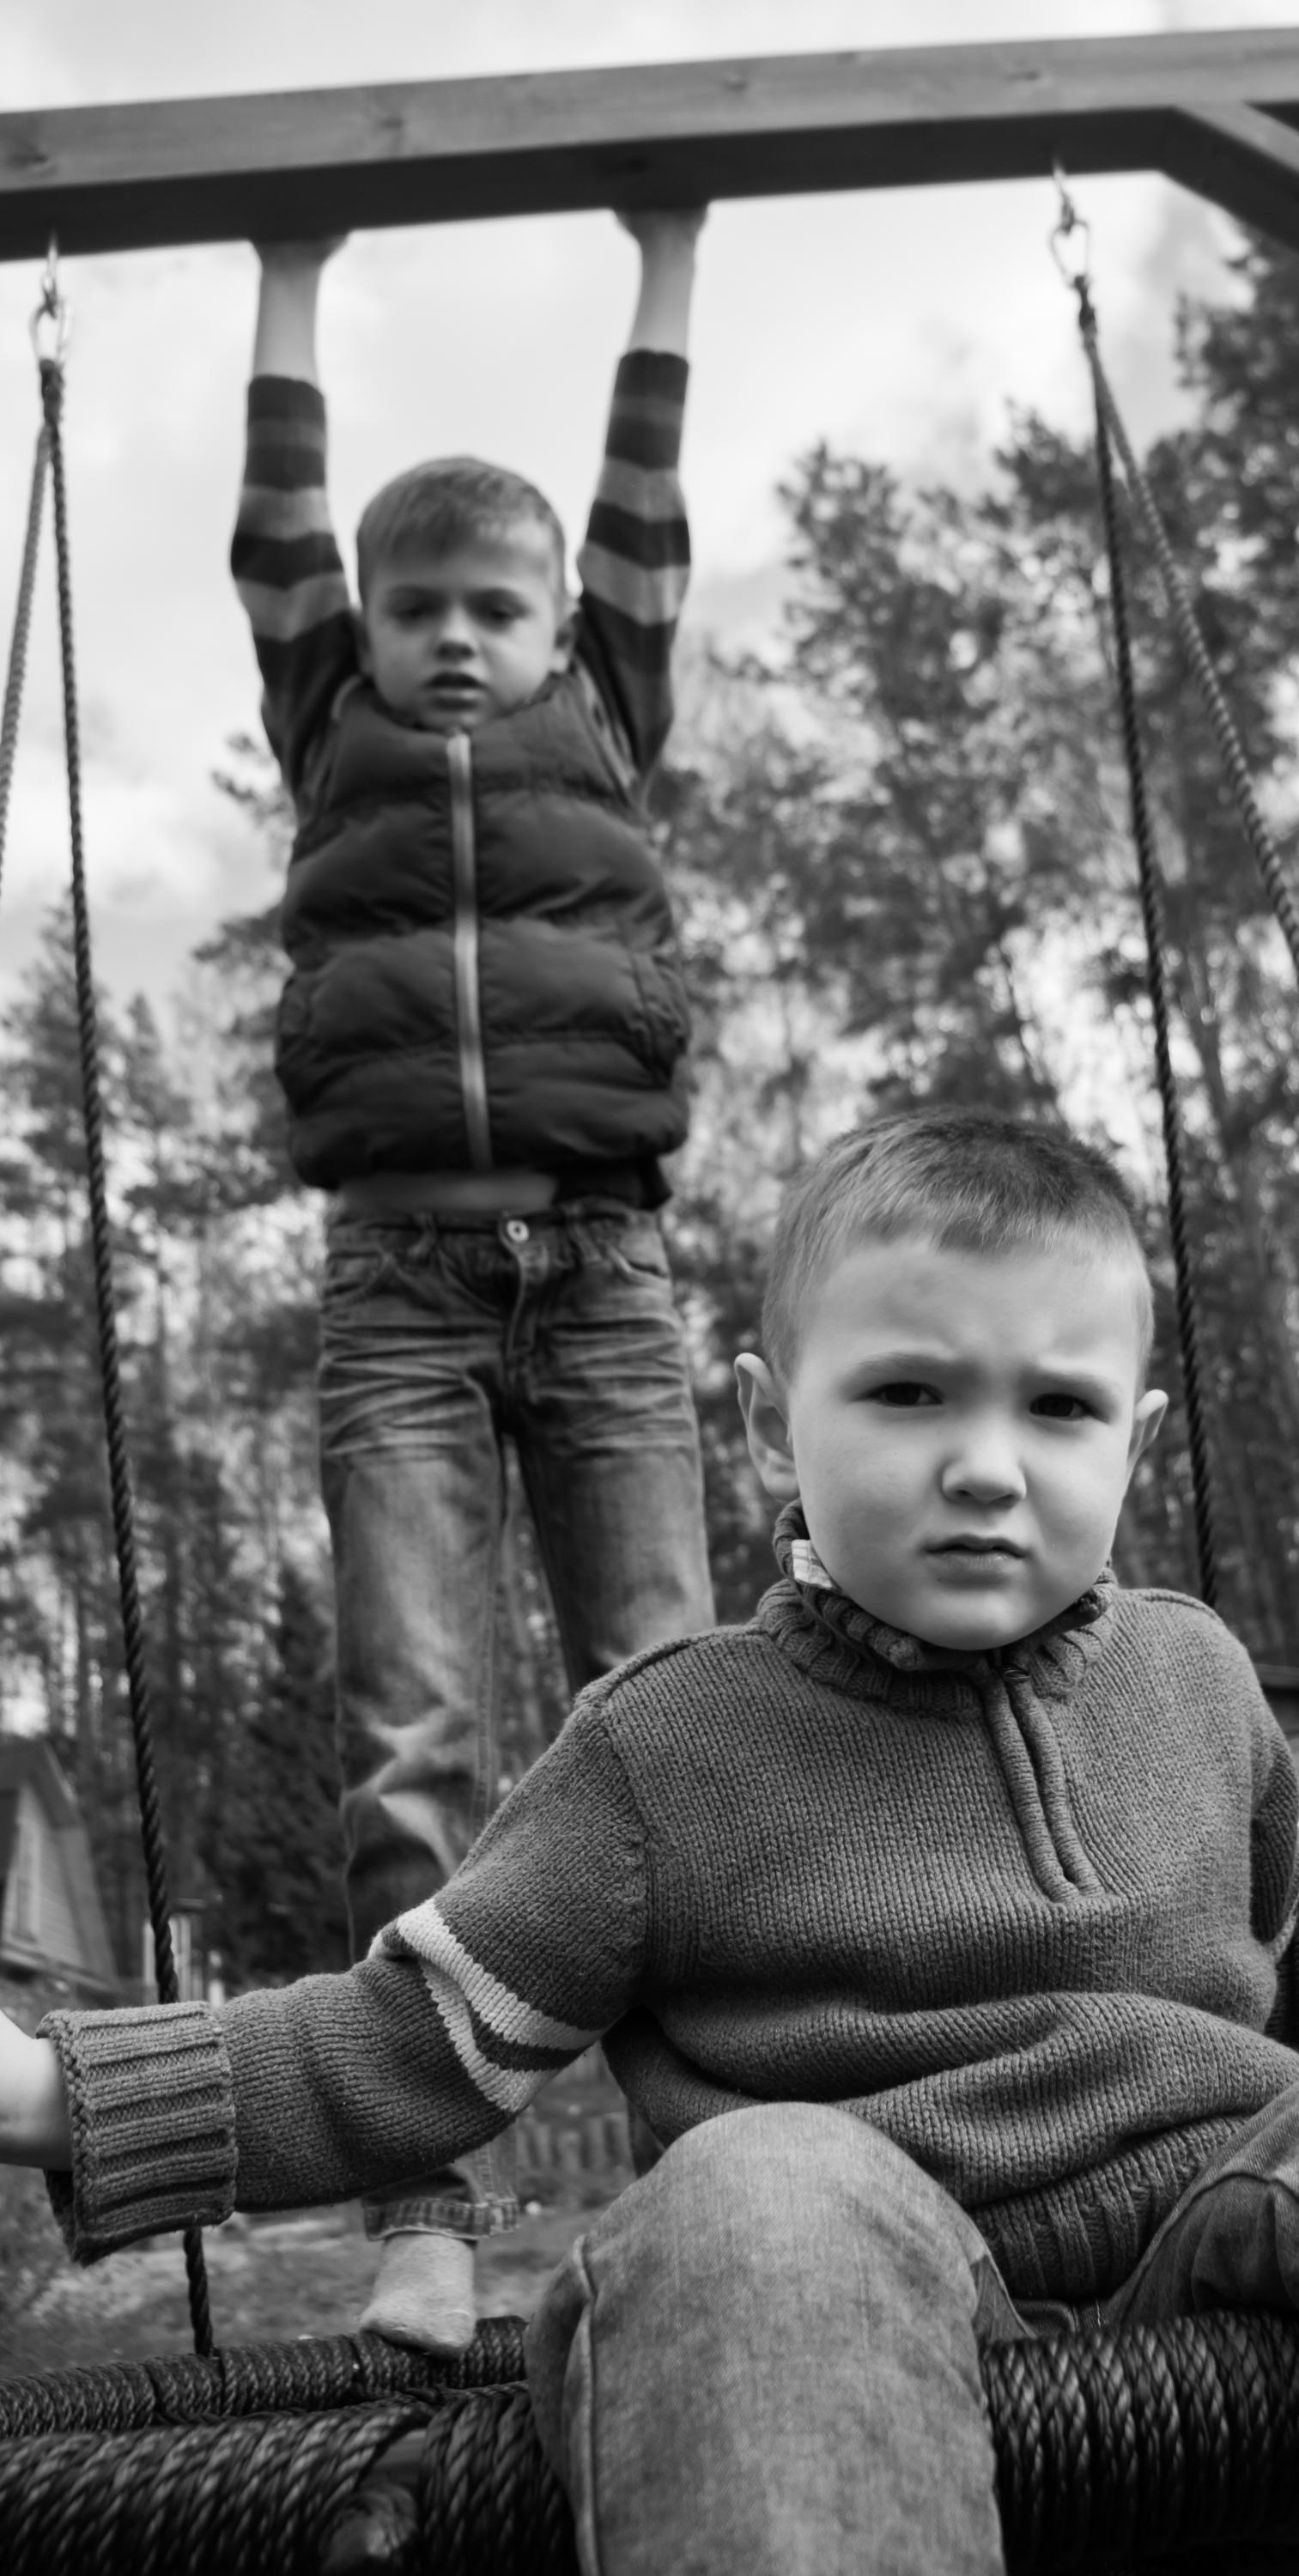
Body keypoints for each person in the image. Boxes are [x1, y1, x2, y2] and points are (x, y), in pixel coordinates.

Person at [3, 1106, 1299, 2575]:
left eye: (1056, 1408)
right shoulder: (667, 1747)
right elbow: (410, 2043)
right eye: (907, 1393)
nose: (984, 1466)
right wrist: (66, 2096)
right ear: (766, 1426)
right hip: (864, 2314)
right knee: (755, 2190)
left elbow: (1282, 2007)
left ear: (1138, 1438)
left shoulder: (1197, 1676)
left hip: (1233, 2262)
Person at [229, 210, 716, 2352]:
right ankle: (422, 2206)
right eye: (413, 603)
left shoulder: (609, 698)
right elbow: (272, 535)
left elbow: (640, 489)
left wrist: (670, 247)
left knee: (681, 1711)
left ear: (558, 633)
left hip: (602, 1274)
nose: (445, 636)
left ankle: (728, 2152)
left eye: (488, 609)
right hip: (400, 1294)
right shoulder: (325, 708)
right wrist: (285, 269)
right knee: (413, 1736)